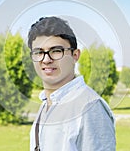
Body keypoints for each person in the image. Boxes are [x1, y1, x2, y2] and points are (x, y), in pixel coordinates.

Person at [28, 16, 116, 151]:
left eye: (56, 51)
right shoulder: (47, 102)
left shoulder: (89, 106)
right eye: (39, 52)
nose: (46, 59)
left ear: (75, 55)